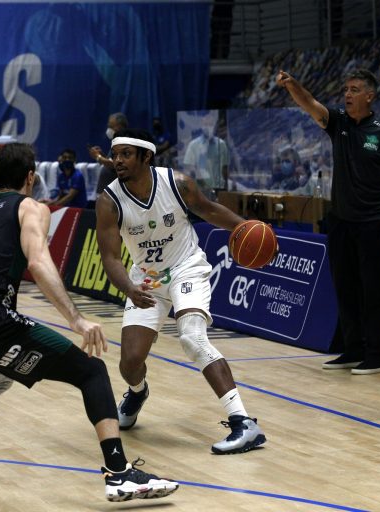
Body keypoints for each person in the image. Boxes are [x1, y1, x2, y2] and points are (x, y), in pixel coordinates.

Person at [0, 142, 179, 501]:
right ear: (31, 177)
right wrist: (77, 319)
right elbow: (38, 262)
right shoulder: (30, 207)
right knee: (91, 371)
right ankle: (120, 474)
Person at [95, 129, 266, 454]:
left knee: (192, 337)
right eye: (115, 154)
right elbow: (111, 257)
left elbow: (210, 210)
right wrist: (129, 287)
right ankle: (138, 392)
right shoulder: (109, 201)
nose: (117, 160)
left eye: (126, 154)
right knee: (130, 362)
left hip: (186, 267)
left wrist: (248, 228)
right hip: (146, 279)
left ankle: (244, 423)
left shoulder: (177, 183)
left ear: (146, 156)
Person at [277, 68, 380, 375]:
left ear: (369, 96)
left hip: (374, 221)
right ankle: (353, 349)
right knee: (345, 287)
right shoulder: (339, 122)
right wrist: (292, 85)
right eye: (346, 89)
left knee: (373, 290)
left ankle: (377, 355)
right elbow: (310, 104)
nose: (347, 95)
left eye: (354, 90)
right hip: (341, 220)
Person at [182, 112, 229, 196]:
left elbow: (225, 168)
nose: (208, 127)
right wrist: (199, 177)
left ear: (215, 125)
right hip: (200, 189)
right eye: (205, 124)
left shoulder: (221, 144)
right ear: (201, 125)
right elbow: (189, 167)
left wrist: (225, 188)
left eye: (210, 124)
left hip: (219, 188)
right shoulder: (193, 145)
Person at [90, 112, 129, 195]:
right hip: (106, 193)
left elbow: (115, 164)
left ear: (120, 126)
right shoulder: (115, 142)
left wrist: (98, 157)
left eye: (111, 126)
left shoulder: (123, 142)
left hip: (114, 194)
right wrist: (102, 155)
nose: (108, 129)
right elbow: (111, 162)